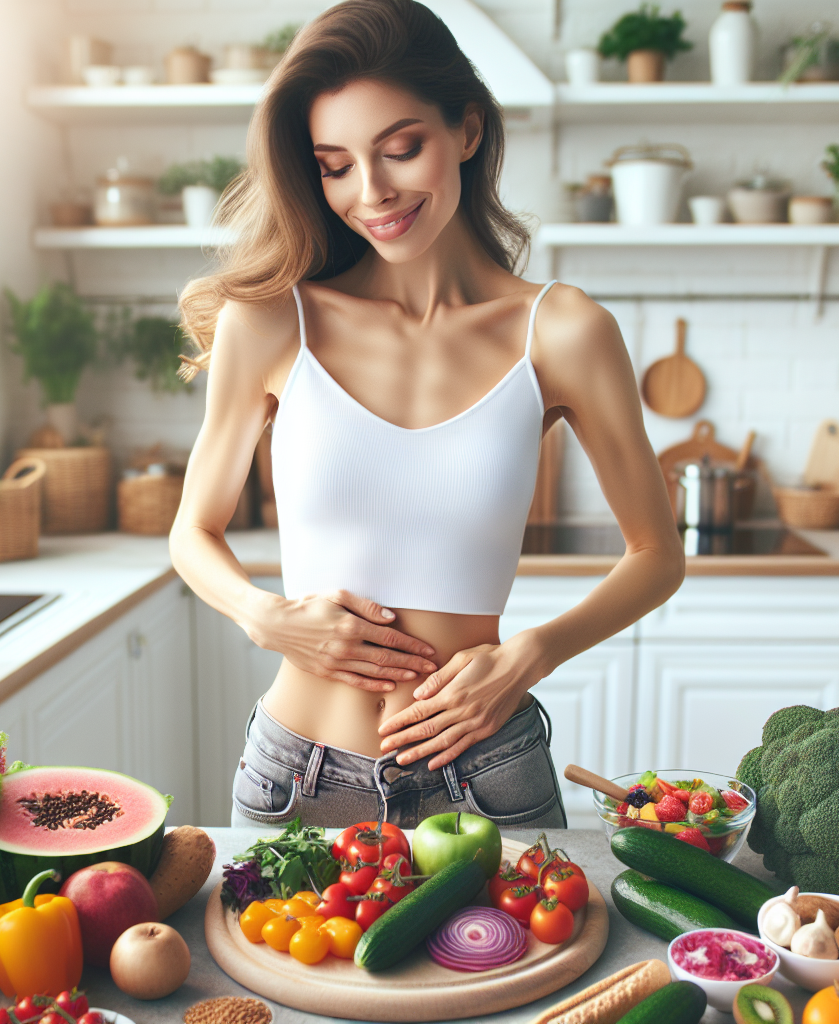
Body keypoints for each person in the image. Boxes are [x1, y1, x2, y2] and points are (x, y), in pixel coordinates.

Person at [170, 0, 684, 829]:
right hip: (296, 774)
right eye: (335, 164)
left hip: (486, 773)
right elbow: (192, 533)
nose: (371, 193)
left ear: (468, 130)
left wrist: (526, 657)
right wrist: (269, 618)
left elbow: (657, 555)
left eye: (401, 149)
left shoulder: (561, 330)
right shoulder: (268, 322)